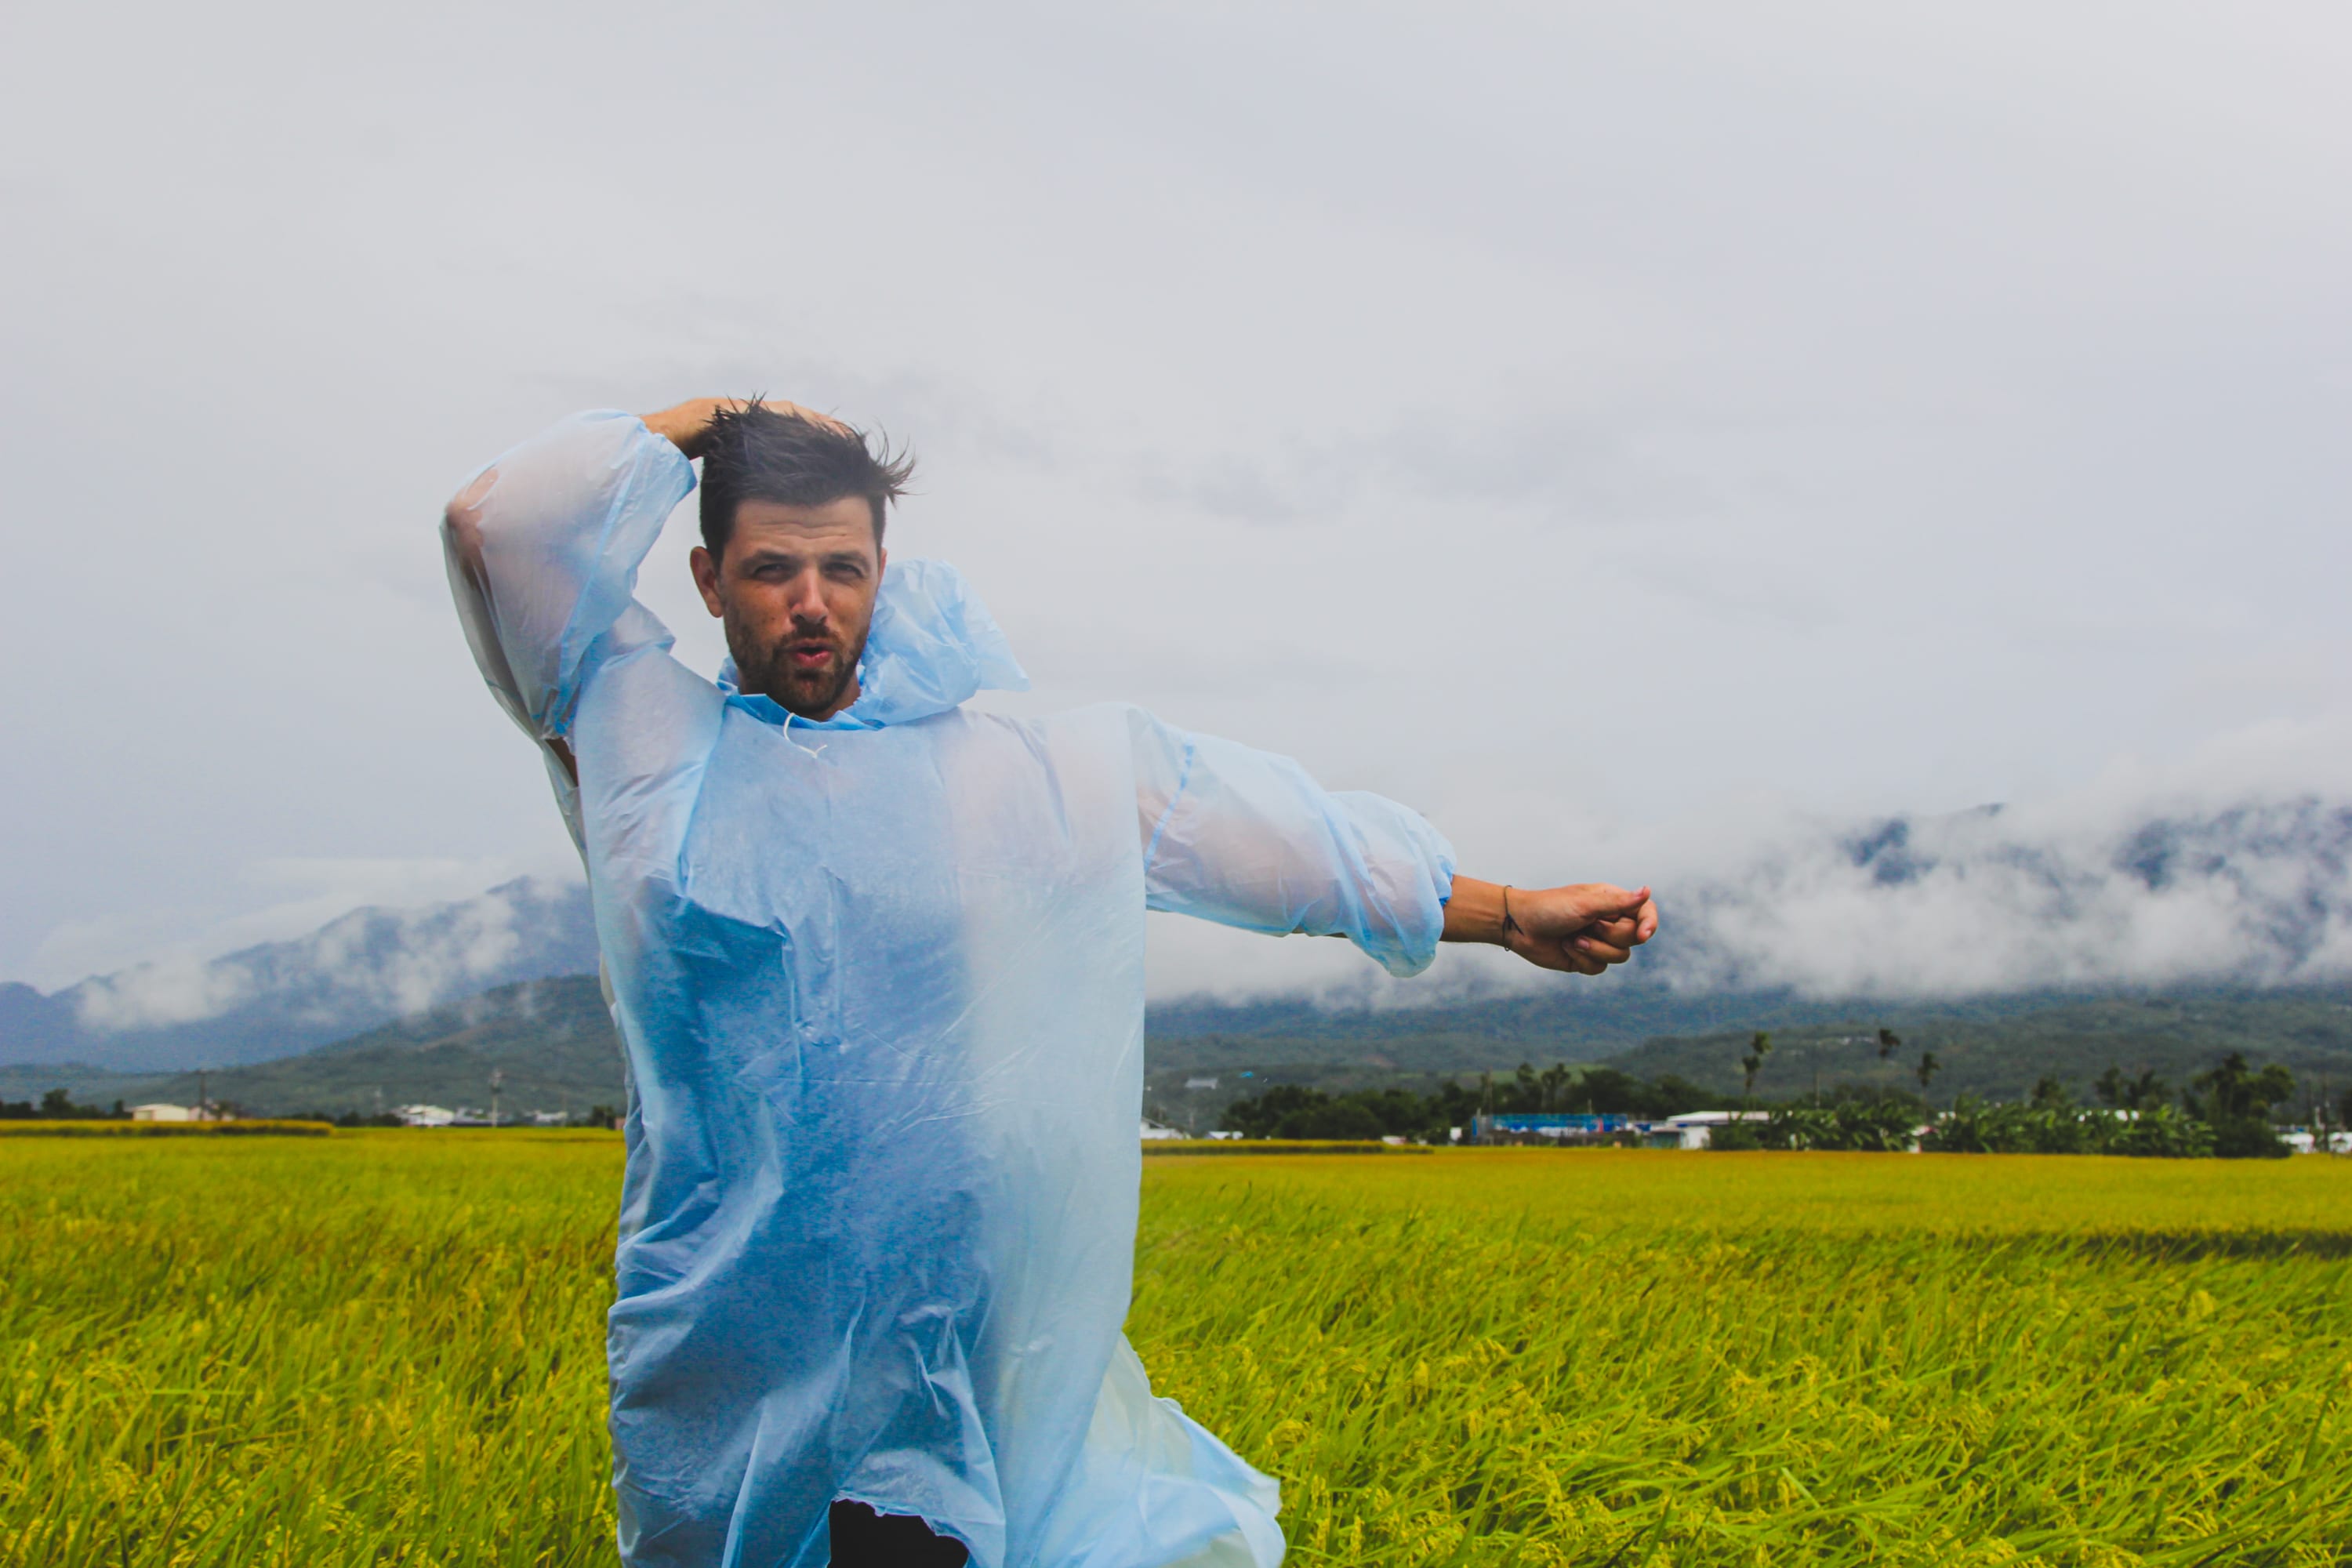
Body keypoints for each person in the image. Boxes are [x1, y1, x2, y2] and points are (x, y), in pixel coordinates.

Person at [442, 397, 1661, 1568]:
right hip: (718, 1359)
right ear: (708, 582)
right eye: (770, 571)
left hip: (935, 1368)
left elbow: (1266, 839)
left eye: (844, 569)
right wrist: (721, 419)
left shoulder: (1001, 776)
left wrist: (1504, 915)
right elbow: (495, 528)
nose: (811, 604)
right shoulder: (642, 741)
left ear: (886, 572)